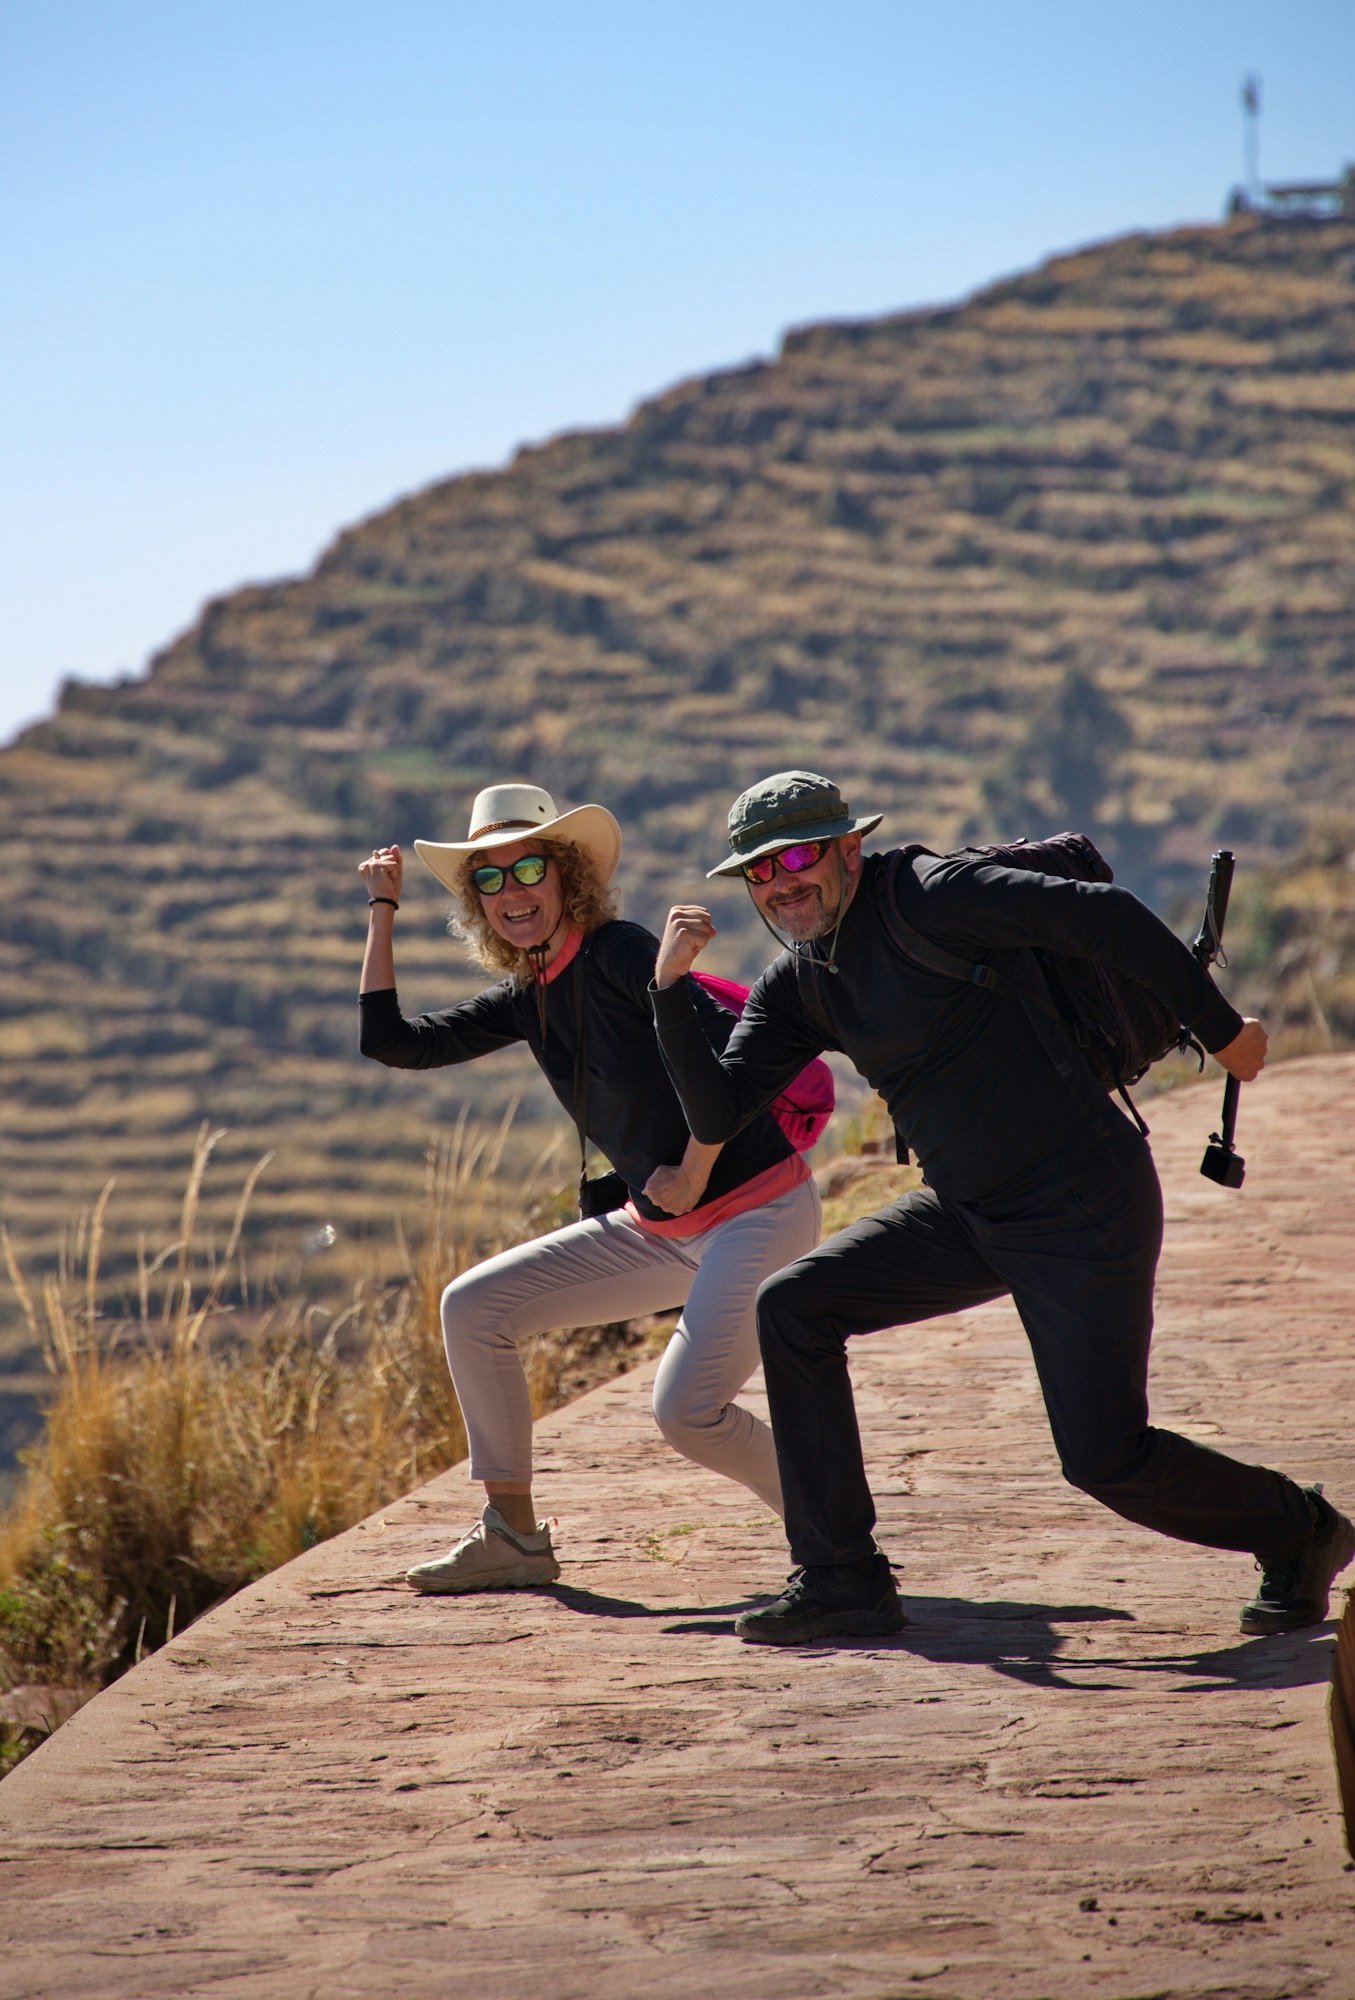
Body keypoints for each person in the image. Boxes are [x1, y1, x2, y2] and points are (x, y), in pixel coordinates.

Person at [650, 769, 1355, 1646]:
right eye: (757, 869)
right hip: (965, 1215)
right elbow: (718, 1111)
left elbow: (1107, 919)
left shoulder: (931, 896)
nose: (780, 880)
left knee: (1105, 1457)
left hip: (1079, 1203)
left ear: (847, 847)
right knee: (794, 1306)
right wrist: (668, 993)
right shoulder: (801, 982)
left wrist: (1221, 1032)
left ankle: (1303, 1531)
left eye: (797, 855)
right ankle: (841, 1578)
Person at [358, 782, 821, 1594]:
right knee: (475, 1308)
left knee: (688, 1413)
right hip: (666, 1226)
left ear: (567, 875)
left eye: (527, 867)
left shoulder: (617, 952)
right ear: (476, 906)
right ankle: (512, 1537)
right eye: (489, 881)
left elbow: (737, 1070)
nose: (511, 893)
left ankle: (831, 1523)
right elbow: (393, 1043)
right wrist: (381, 910)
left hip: (757, 1209)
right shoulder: (529, 993)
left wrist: (695, 1169)